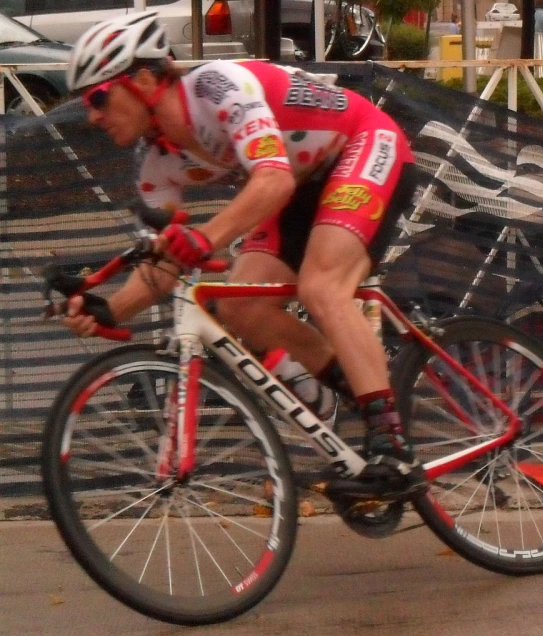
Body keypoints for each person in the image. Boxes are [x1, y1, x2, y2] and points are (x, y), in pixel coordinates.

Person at [61, 13, 423, 490]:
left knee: (321, 287)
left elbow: (270, 180)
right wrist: (107, 308)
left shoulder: (216, 87)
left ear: (144, 79)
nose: (92, 115)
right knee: (238, 305)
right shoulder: (157, 162)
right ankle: (365, 393)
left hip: (361, 143)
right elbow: (165, 263)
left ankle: (393, 449)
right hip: (300, 182)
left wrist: (206, 237)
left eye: (98, 97)